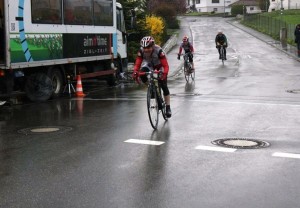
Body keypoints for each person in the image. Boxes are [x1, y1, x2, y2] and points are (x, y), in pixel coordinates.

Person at [132, 36, 172, 118]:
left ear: (153, 45)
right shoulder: (141, 51)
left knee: (164, 85)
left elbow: (166, 65)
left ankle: (168, 107)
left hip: (160, 65)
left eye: (148, 47)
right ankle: (151, 88)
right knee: (142, 72)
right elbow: (138, 63)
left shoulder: (159, 50)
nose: (146, 50)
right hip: (149, 65)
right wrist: (135, 72)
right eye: (144, 48)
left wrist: (164, 74)